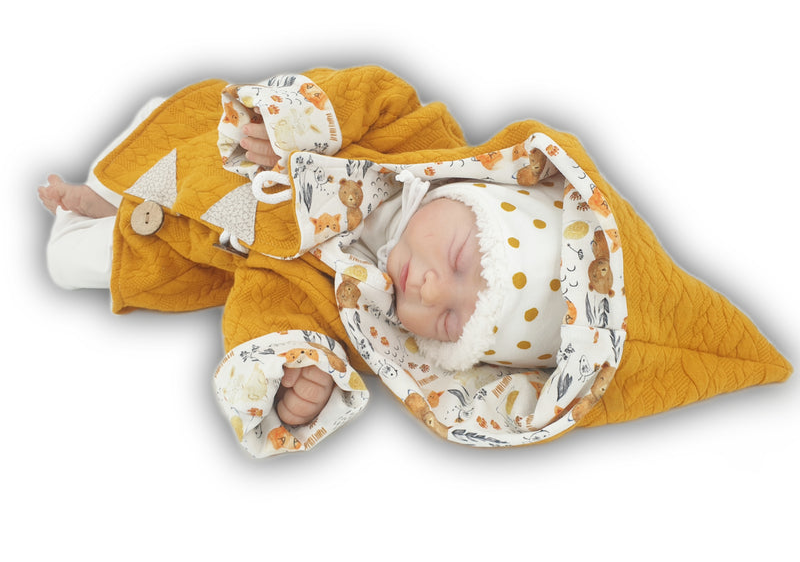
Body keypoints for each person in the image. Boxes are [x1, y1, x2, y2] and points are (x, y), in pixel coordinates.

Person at [38, 66, 626, 457]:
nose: (429, 289)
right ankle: (109, 185)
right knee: (166, 129)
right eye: (455, 260)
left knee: (70, 262)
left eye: (451, 320)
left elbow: (275, 301)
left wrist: (300, 367)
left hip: (194, 247)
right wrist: (295, 123)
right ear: (479, 197)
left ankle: (93, 208)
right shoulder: (420, 142)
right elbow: (376, 93)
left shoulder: (363, 316)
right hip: (232, 161)